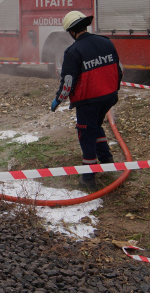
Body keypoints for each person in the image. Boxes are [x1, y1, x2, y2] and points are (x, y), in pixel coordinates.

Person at [51, 10, 123, 191]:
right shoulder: (106, 42)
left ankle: (88, 178)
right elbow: (119, 70)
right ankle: (107, 160)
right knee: (95, 126)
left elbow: (68, 82)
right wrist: (113, 90)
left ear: (71, 31)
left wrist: (58, 99)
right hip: (108, 97)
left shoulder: (73, 51)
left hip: (88, 101)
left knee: (86, 135)